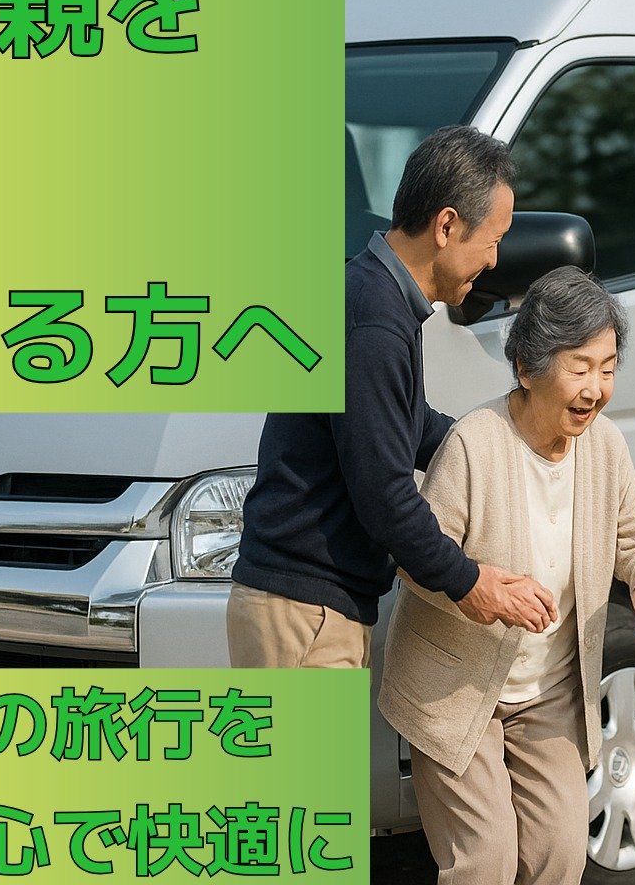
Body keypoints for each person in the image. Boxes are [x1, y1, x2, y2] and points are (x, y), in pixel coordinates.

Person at [378, 266, 635, 885]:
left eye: (607, 368)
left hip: (549, 691)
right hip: (457, 692)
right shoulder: (474, 444)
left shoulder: (605, 447)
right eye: (580, 367)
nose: (596, 388)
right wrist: (482, 591)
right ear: (526, 368)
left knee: (560, 857)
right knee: (484, 862)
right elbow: (415, 560)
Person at [227, 125, 556, 669]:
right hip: (305, 612)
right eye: (492, 240)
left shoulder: (371, 294)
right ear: (446, 226)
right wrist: (467, 582)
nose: (495, 261)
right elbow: (384, 493)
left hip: (303, 606)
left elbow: (409, 423)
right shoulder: (374, 321)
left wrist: (503, 445)